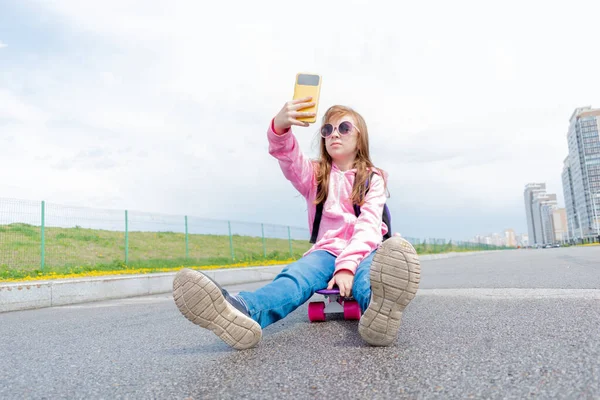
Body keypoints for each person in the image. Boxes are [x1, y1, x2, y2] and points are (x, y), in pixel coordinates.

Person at [173, 97, 421, 350]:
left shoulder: (373, 179)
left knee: (366, 278)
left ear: (360, 138)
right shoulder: (315, 175)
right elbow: (289, 159)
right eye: (327, 130)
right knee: (295, 278)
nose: (334, 134)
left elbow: (369, 225)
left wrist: (347, 266)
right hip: (327, 249)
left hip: (366, 249)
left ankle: (379, 309)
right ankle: (242, 309)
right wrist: (280, 129)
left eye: (344, 128)